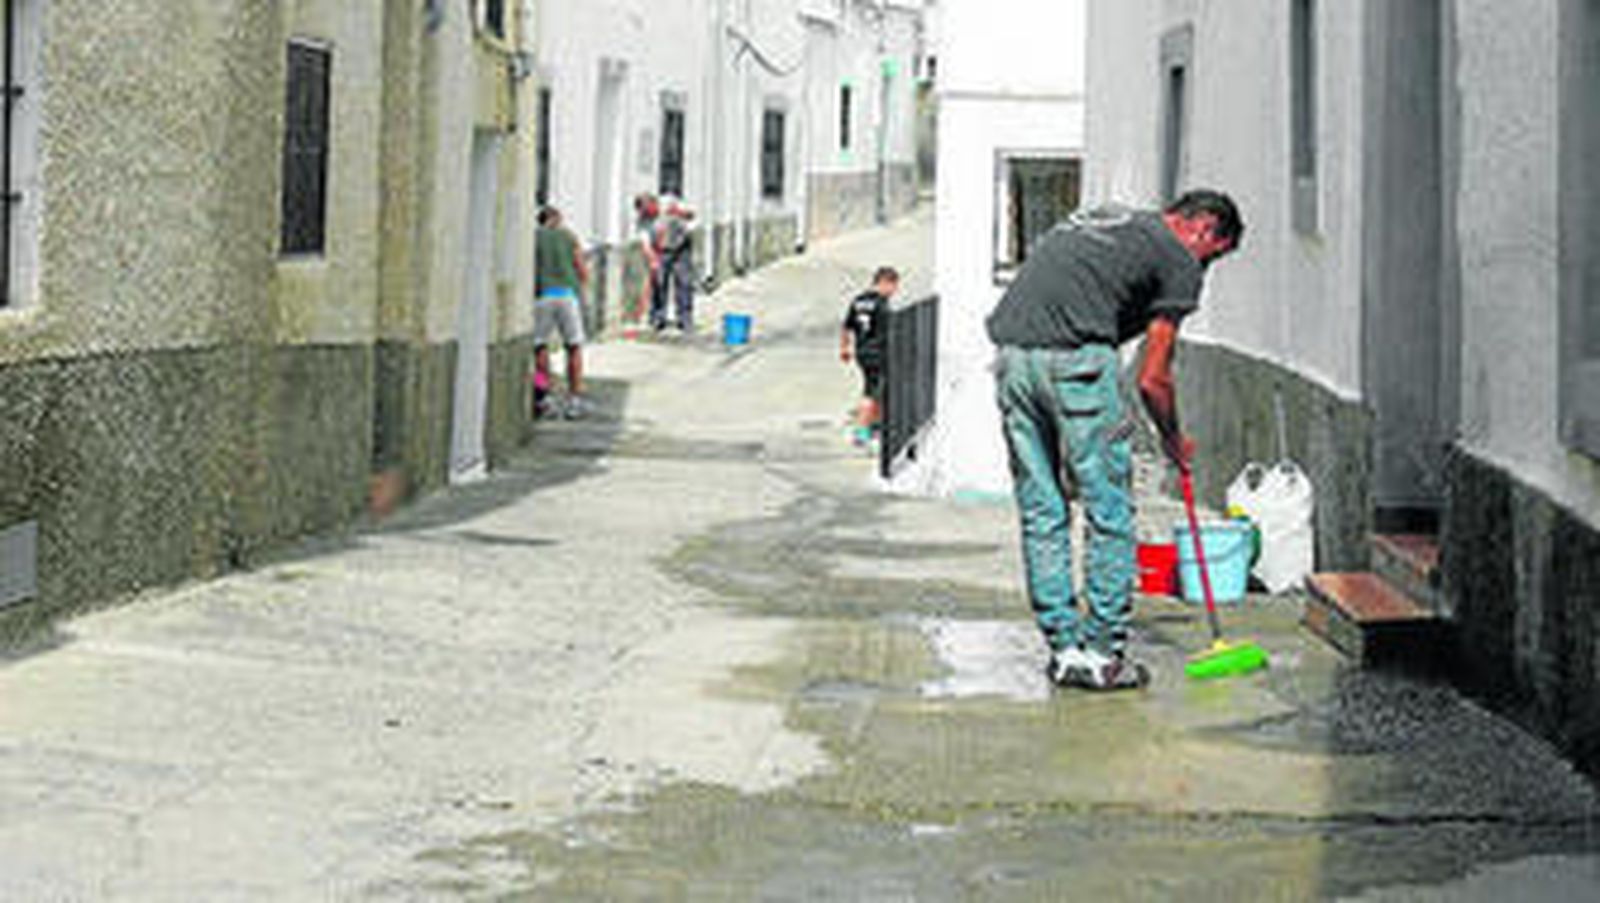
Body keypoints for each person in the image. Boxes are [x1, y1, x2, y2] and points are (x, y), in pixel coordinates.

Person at [985, 190, 1244, 691]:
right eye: (1212, 257)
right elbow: (1153, 378)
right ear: (1204, 229)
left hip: (1013, 360)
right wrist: (1173, 439)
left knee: (1042, 510)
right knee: (1108, 512)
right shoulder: (1177, 257)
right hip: (1078, 364)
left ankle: (1065, 651)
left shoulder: (1122, 225)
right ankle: (1102, 655)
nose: (1204, 271)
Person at [533, 206, 591, 418]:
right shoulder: (569, 236)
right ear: (556, 218)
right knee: (573, 347)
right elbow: (582, 270)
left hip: (543, 296)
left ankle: (544, 398)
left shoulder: (535, 237)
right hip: (567, 295)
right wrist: (581, 288)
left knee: (540, 347)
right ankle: (574, 400)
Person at [840, 266, 900, 447]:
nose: (894, 292)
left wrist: (844, 348)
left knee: (877, 390)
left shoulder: (858, 300)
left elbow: (846, 326)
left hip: (862, 352)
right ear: (884, 282)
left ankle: (875, 426)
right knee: (871, 393)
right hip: (877, 352)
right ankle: (861, 432)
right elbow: (889, 330)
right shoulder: (882, 304)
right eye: (893, 286)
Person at [653, 197, 697, 332]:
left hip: (682, 247)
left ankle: (685, 318)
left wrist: (680, 212)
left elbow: (692, 215)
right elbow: (646, 240)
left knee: (684, 282)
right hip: (661, 250)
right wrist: (652, 259)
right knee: (659, 283)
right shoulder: (647, 218)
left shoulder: (677, 202)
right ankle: (659, 317)